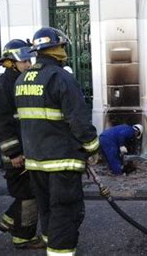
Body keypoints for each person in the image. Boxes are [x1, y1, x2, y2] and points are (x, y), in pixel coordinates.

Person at [15, 27, 100, 255]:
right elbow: (78, 120)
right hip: (62, 161)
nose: (64, 51)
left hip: (35, 162)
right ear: (54, 48)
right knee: (65, 210)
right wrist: (93, 147)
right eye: (62, 47)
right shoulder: (61, 77)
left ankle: (51, 245)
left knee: (47, 210)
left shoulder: (22, 79)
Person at [0, 39, 44, 249]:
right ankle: (23, 236)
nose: (29, 65)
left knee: (30, 192)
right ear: (11, 62)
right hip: (16, 155)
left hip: (28, 151)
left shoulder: (21, 84)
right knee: (28, 195)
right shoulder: (1, 88)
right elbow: (1, 125)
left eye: (30, 60)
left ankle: (10, 221)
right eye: (25, 61)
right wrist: (14, 153)